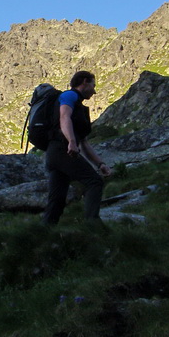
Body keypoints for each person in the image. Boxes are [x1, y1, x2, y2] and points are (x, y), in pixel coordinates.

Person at [42, 70, 113, 231]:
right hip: (62, 150)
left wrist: (100, 163)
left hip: (55, 154)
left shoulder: (80, 108)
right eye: (93, 86)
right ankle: (92, 225)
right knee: (94, 181)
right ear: (85, 82)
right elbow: (64, 117)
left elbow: (85, 143)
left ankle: (44, 232)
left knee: (57, 200)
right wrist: (71, 142)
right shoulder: (70, 96)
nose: (94, 91)